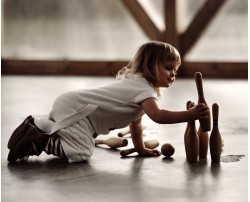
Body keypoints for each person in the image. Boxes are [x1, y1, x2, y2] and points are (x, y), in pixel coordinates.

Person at [7, 41, 210, 163]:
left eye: (175, 70)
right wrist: (189, 116)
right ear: (149, 65)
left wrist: (140, 149)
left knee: (82, 147)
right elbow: (158, 116)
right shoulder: (143, 89)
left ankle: (46, 126)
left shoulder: (138, 86)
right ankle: (40, 135)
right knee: (81, 153)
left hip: (74, 107)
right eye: (168, 67)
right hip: (79, 111)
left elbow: (136, 124)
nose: (173, 74)